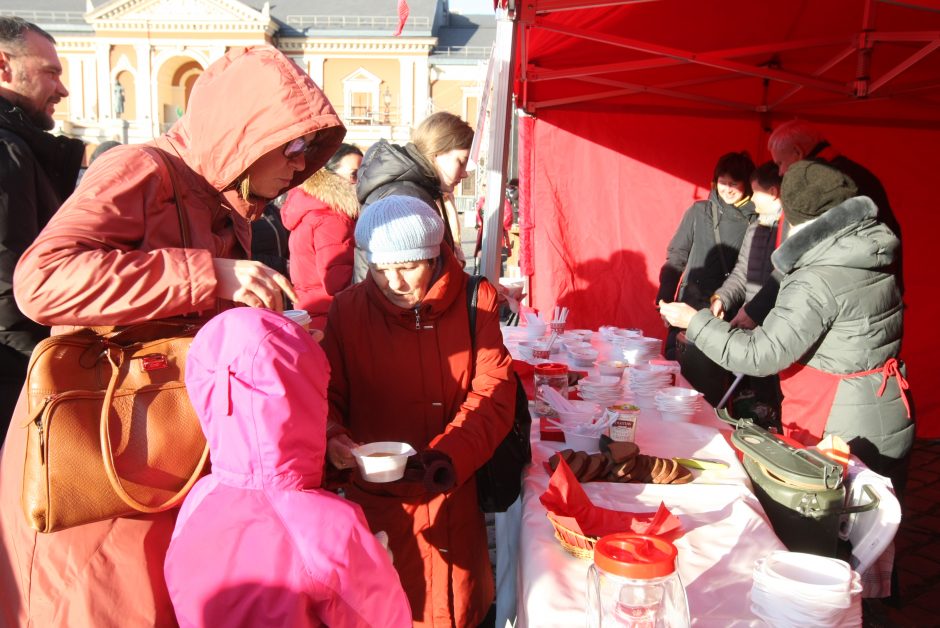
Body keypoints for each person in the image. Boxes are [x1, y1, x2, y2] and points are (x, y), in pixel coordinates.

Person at [0, 44, 345, 626]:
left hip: (164, 462)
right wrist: (207, 273)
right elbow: (41, 279)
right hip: (96, 464)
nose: (298, 163)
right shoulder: (141, 168)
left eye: (308, 150)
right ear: (244, 132)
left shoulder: (219, 197)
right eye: (291, 144)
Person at [660, 160, 913, 495]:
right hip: (880, 406)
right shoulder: (868, 250)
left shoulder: (818, 276)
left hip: (841, 421)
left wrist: (695, 321)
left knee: (832, 521)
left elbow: (761, 354)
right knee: (873, 518)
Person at [321, 195, 516, 627]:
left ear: (433, 256)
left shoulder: (474, 301)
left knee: (458, 607)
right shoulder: (348, 310)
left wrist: (449, 455)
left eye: (407, 266)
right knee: (386, 608)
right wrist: (333, 437)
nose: (393, 281)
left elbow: (493, 391)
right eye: (379, 268)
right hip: (379, 502)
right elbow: (325, 394)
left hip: (451, 489)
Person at [164, 307, 412, 627]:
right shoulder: (329, 526)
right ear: (305, 393)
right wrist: (381, 565)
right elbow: (385, 621)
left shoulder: (196, 499)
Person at [733, 118, 904, 329]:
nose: (780, 173)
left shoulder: (827, 186)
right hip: (867, 302)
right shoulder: (857, 175)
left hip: (845, 312)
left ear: (797, 153)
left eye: (780, 163)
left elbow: (802, 250)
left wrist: (757, 309)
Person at [0, 17, 84, 435]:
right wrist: (39, 368)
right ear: (4, 65)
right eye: (50, 72)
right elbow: (7, 278)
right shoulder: (7, 150)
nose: (62, 90)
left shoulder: (20, 147)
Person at [655, 151, 757, 406]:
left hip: (730, 308)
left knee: (715, 382)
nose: (727, 189)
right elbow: (677, 253)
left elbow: (748, 271)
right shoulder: (699, 211)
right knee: (681, 377)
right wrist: (666, 292)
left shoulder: (757, 220)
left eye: (734, 183)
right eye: (722, 182)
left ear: (747, 184)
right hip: (692, 302)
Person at [356, 111, 473, 259]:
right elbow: (411, 270)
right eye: (461, 162)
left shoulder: (415, 189)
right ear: (436, 152)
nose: (465, 174)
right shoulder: (407, 195)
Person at [282, 143, 363, 328]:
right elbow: (338, 281)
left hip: (314, 313)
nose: (359, 181)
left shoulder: (312, 207)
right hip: (331, 318)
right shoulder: (331, 217)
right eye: (354, 174)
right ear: (329, 177)